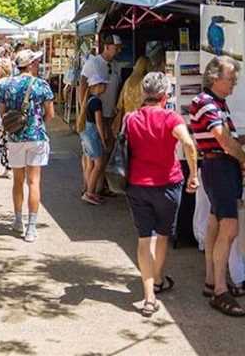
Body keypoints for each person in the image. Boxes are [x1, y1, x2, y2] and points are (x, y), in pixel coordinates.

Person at [190, 57, 245, 318]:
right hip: (220, 169)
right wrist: (244, 158)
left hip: (220, 168)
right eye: (231, 77)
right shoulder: (206, 103)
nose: (234, 81)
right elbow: (223, 140)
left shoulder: (216, 103)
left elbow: (227, 139)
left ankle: (213, 280)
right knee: (229, 228)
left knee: (215, 224)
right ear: (215, 77)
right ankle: (220, 290)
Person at [124, 72, 198, 317]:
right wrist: (194, 174)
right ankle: (157, 279)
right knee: (163, 235)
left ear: (144, 93)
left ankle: (149, 297)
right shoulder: (171, 117)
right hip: (168, 184)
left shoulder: (131, 118)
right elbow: (188, 143)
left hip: (137, 184)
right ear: (165, 95)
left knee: (144, 239)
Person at [0, 49, 54, 242]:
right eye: (36, 61)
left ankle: (17, 220)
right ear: (29, 64)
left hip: (15, 138)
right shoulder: (41, 85)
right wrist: (38, 123)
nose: (38, 64)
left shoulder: (5, 85)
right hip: (36, 136)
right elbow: (50, 114)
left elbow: (3, 113)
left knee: (18, 181)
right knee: (34, 182)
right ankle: (31, 227)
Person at [78, 34, 123, 191]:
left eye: (119, 48)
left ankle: (100, 185)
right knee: (93, 154)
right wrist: (84, 110)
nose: (118, 51)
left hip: (110, 113)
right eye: (115, 48)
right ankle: (88, 187)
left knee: (105, 151)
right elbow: (82, 85)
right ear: (106, 46)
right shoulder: (93, 63)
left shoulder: (116, 65)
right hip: (96, 114)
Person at [79, 76, 109, 205]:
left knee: (90, 163)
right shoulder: (97, 102)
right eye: (103, 84)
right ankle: (90, 192)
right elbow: (99, 123)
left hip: (85, 133)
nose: (106, 87)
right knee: (98, 164)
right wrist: (103, 139)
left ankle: (88, 189)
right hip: (92, 135)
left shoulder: (89, 100)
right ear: (97, 86)